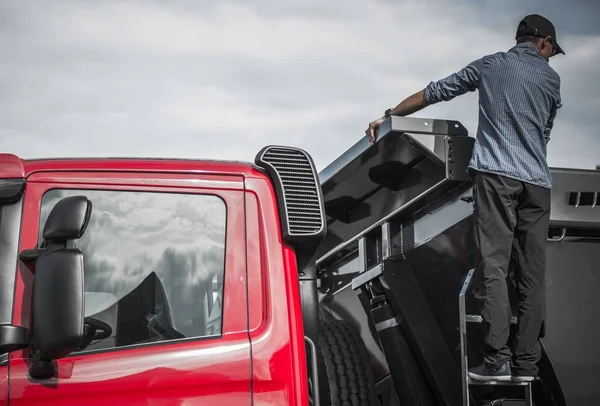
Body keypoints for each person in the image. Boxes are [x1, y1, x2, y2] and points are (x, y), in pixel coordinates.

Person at [366, 14, 564, 382]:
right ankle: (526, 365)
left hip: (496, 176)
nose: (552, 57)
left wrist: (388, 115)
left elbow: (435, 91)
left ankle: (496, 361)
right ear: (544, 43)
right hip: (537, 183)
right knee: (533, 277)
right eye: (553, 50)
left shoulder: (491, 65)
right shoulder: (551, 79)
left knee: (495, 267)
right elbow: (545, 132)